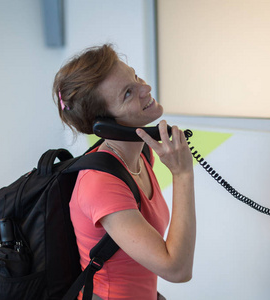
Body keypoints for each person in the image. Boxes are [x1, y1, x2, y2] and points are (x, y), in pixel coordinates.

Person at [53, 44, 196, 300]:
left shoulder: (140, 155)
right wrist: (182, 175)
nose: (146, 89)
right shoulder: (100, 184)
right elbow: (177, 269)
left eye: (135, 76)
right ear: (104, 124)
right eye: (128, 93)